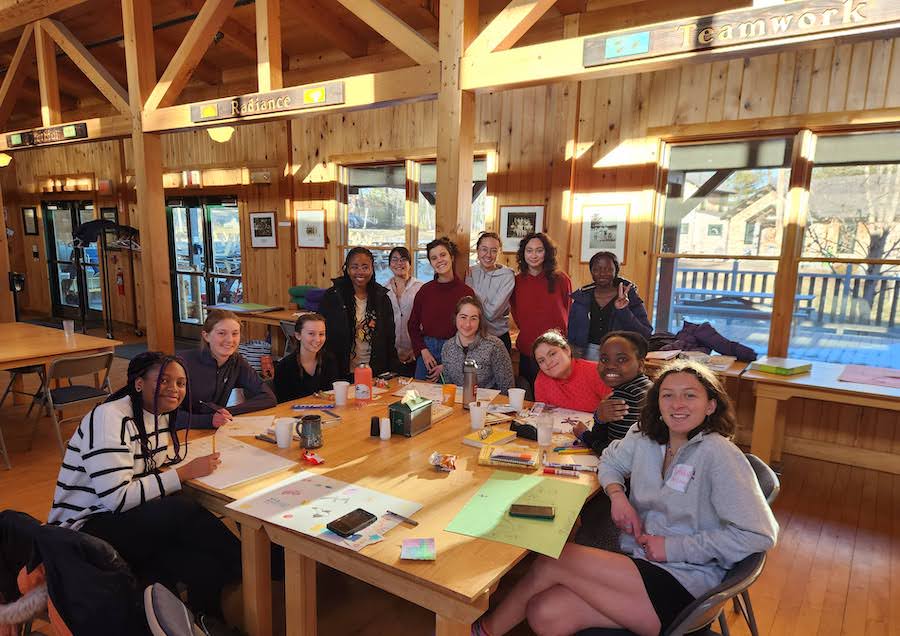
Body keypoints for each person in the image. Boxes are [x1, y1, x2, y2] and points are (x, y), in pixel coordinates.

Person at [474, 360, 778, 636]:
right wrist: (617, 494)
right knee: (544, 613)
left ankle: (481, 632)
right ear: (657, 403)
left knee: (554, 558)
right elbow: (610, 461)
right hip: (641, 562)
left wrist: (672, 547)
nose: (677, 404)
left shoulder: (719, 455)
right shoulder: (645, 435)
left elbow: (759, 534)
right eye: (668, 395)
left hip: (687, 585)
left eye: (690, 395)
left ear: (711, 405)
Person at [47, 352, 243, 622]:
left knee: (203, 565)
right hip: (85, 526)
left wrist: (181, 474)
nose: (174, 389)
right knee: (182, 509)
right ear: (139, 384)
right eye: (164, 381)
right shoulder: (110, 418)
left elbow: (151, 467)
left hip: (126, 518)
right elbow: (116, 498)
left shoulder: (157, 415)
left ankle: (204, 622)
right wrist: (184, 473)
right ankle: (246, 562)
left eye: (181, 383)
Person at [178, 309, 276, 429]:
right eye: (221, 333)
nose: (230, 340)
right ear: (206, 336)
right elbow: (167, 415)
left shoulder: (236, 361)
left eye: (235, 334)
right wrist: (209, 420)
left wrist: (225, 412)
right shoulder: (182, 363)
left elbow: (268, 397)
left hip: (214, 431)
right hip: (180, 433)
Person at [319, 247, 400, 379]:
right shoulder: (333, 297)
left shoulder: (382, 297)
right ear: (347, 269)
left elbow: (390, 338)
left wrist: (393, 370)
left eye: (365, 267)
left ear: (372, 269)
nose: (360, 272)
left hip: (374, 371)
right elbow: (323, 333)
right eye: (354, 267)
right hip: (341, 371)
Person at [573, 330, 653, 453]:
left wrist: (585, 436)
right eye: (604, 360)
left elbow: (616, 455)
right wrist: (601, 418)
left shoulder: (624, 397)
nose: (610, 366)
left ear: (640, 365)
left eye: (621, 360)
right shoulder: (647, 387)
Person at [407, 237, 475, 381]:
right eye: (434, 258)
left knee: (450, 399)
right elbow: (412, 325)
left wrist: (448, 364)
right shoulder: (425, 291)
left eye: (443, 255)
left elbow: (471, 331)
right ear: (431, 263)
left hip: (456, 349)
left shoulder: (466, 292)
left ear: (451, 256)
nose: (439, 260)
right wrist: (423, 352)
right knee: (421, 397)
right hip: (427, 351)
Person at [510, 232, 572, 388]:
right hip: (528, 349)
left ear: (547, 253)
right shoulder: (516, 281)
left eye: (539, 250)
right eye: (529, 250)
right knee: (530, 396)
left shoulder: (561, 279)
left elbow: (568, 309)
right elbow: (516, 312)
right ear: (523, 254)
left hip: (556, 351)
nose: (534, 255)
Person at [568, 251, 652, 360]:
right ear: (591, 272)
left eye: (608, 269)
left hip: (620, 355)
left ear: (616, 271)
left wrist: (623, 310)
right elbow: (571, 334)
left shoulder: (630, 297)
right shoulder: (581, 298)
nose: (602, 273)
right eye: (597, 269)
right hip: (584, 356)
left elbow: (645, 334)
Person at [435, 296, 514, 392]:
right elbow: (449, 387)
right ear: (456, 317)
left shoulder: (495, 346)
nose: (467, 324)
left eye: (473, 318)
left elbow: (507, 389)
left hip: (488, 405)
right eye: (463, 317)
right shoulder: (447, 347)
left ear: (480, 321)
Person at [532, 330, 611, 414]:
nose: (548, 363)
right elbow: (542, 416)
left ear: (567, 350)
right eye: (541, 361)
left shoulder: (597, 372)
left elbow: (618, 412)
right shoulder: (542, 379)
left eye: (552, 354)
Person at [466, 232, 515, 352]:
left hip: (498, 338)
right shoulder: (471, 272)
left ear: (499, 252)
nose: (488, 255)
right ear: (477, 250)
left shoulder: (507, 276)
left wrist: (471, 287)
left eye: (493, 250)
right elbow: (466, 306)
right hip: (474, 338)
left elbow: (491, 314)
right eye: (484, 249)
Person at [273, 312, 339, 402]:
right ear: (298, 335)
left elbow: (331, 394)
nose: (317, 339)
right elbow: (282, 404)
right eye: (311, 334)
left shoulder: (329, 360)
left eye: (321, 334)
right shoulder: (284, 367)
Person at [385, 246, 424, 377]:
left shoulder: (420, 287)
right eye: (394, 260)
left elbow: (424, 321)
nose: (399, 263)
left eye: (403, 259)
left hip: (415, 350)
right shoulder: (384, 289)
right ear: (390, 265)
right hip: (391, 352)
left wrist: (416, 349)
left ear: (410, 264)